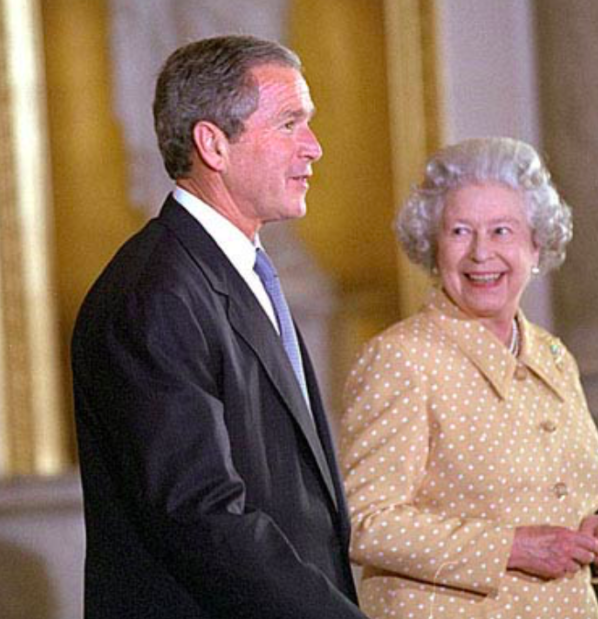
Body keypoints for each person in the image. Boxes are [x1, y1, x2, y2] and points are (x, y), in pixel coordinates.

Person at [72, 35, 367, 619]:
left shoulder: (233, 270)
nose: (314, 148)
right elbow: (201, 515)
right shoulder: (154, 294)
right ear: (213, 144)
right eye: (289, 124)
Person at [340, 137, 598, 618]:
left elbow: (547, 501)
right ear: (433, 249)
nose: (480, 254)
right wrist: (510, 549)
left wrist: (594, 533)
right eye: (459, 231)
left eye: (501, 231)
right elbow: (363, 522)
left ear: (536, 246)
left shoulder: (555, 357)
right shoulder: (400, 358)